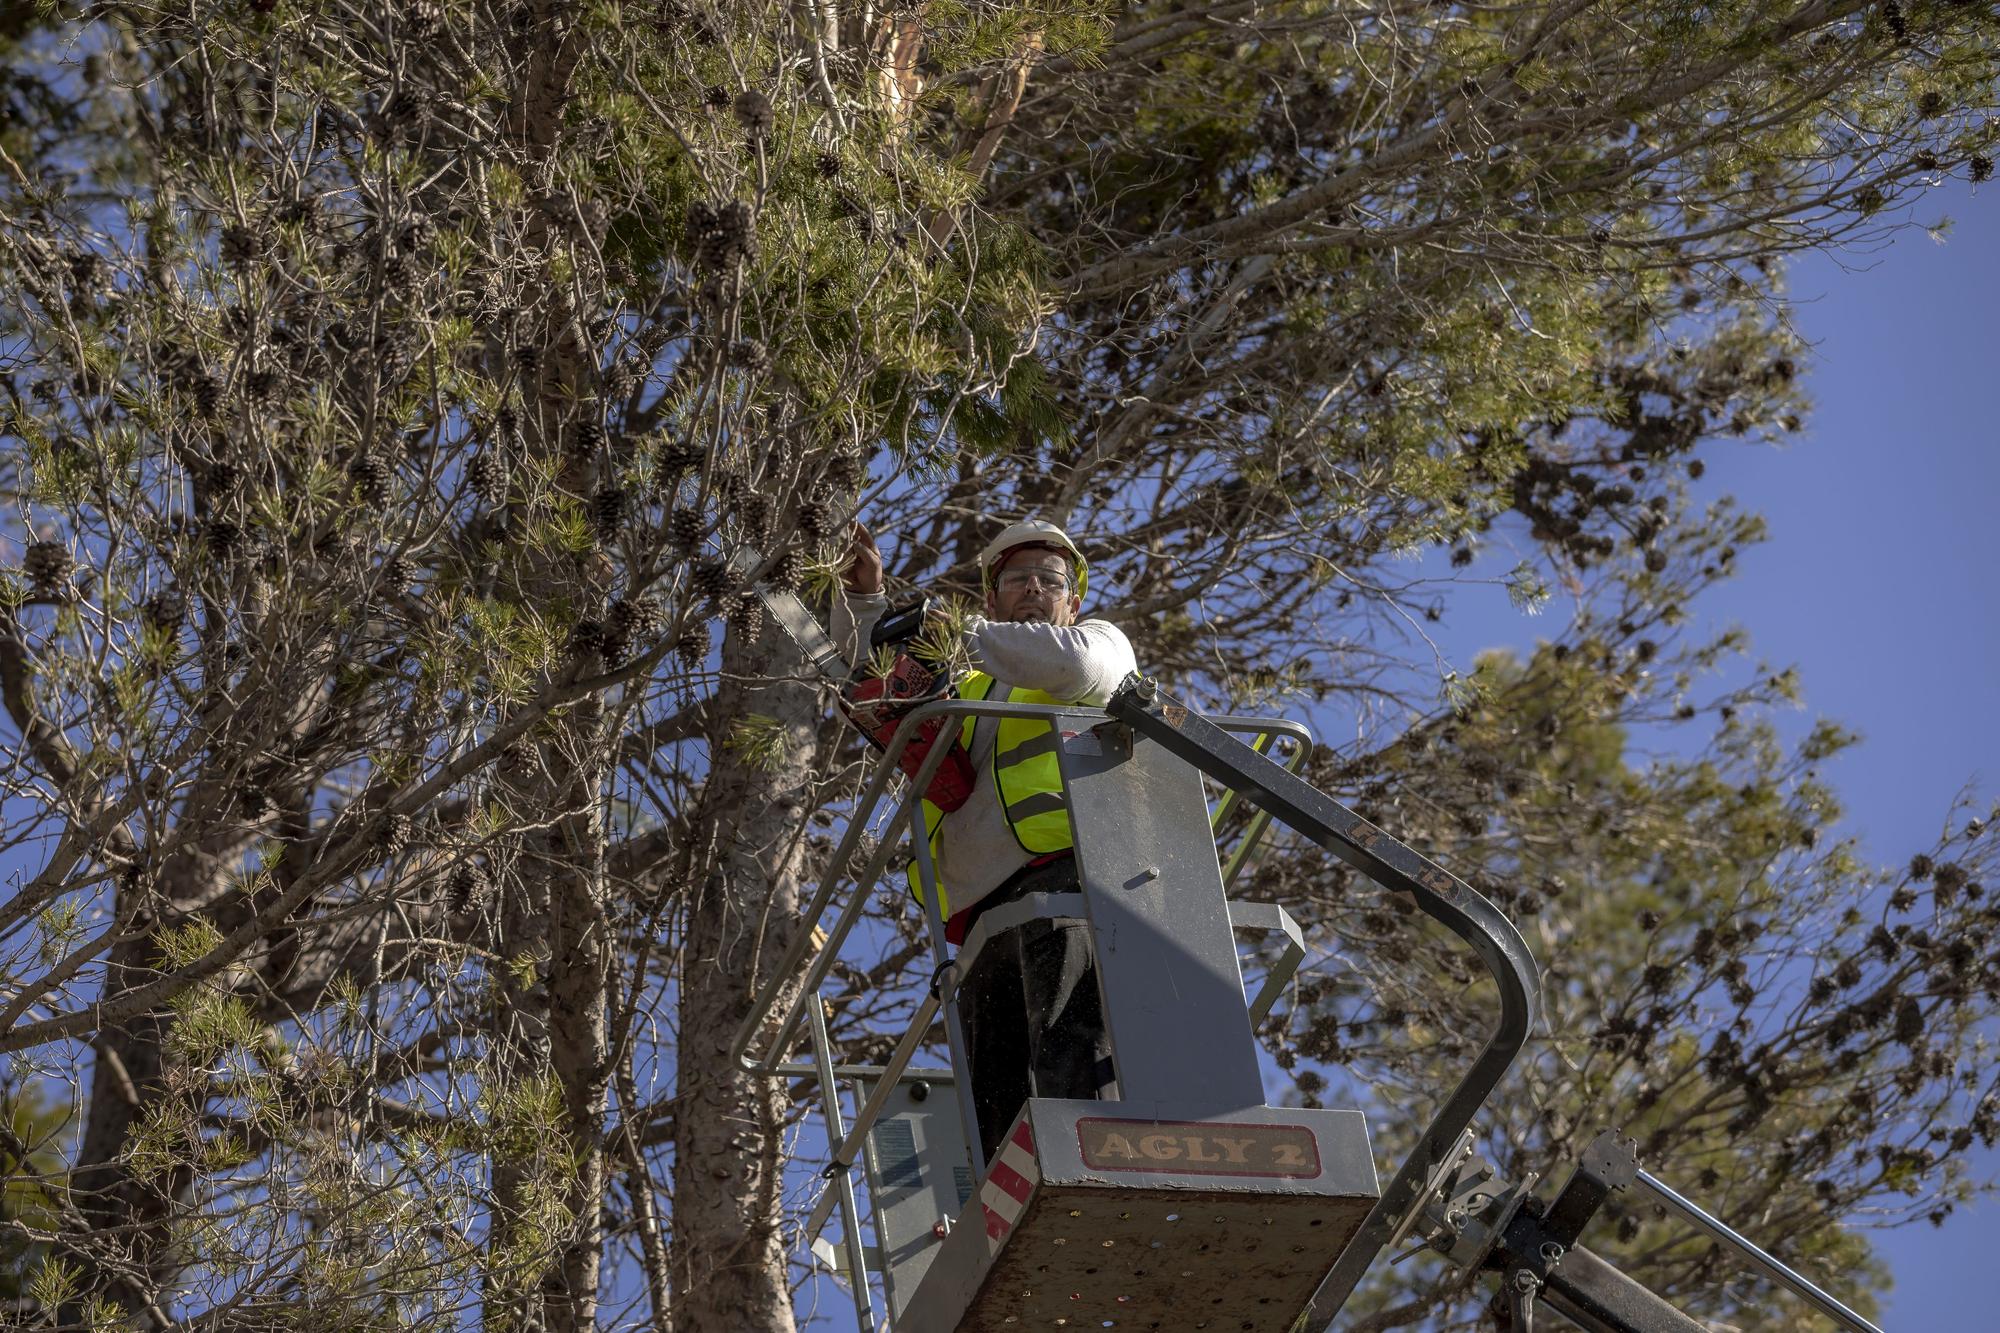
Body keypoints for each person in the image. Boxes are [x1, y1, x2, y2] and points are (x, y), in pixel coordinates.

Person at [832, 518, 1137, 1164]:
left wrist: (961, 632)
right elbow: (884, 687)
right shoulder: (970, 692)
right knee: (998, 1105)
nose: (1032, 589)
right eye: (1016, 579)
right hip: (979, 920)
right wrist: (868, 604)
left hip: (1060, 886)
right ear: (993, 596)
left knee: (1068, 1055)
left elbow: (1074, 662)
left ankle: (1095, 1170)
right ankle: (1013, 1212)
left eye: (1048, 580)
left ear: (1072, 601)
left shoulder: (1101, 647)